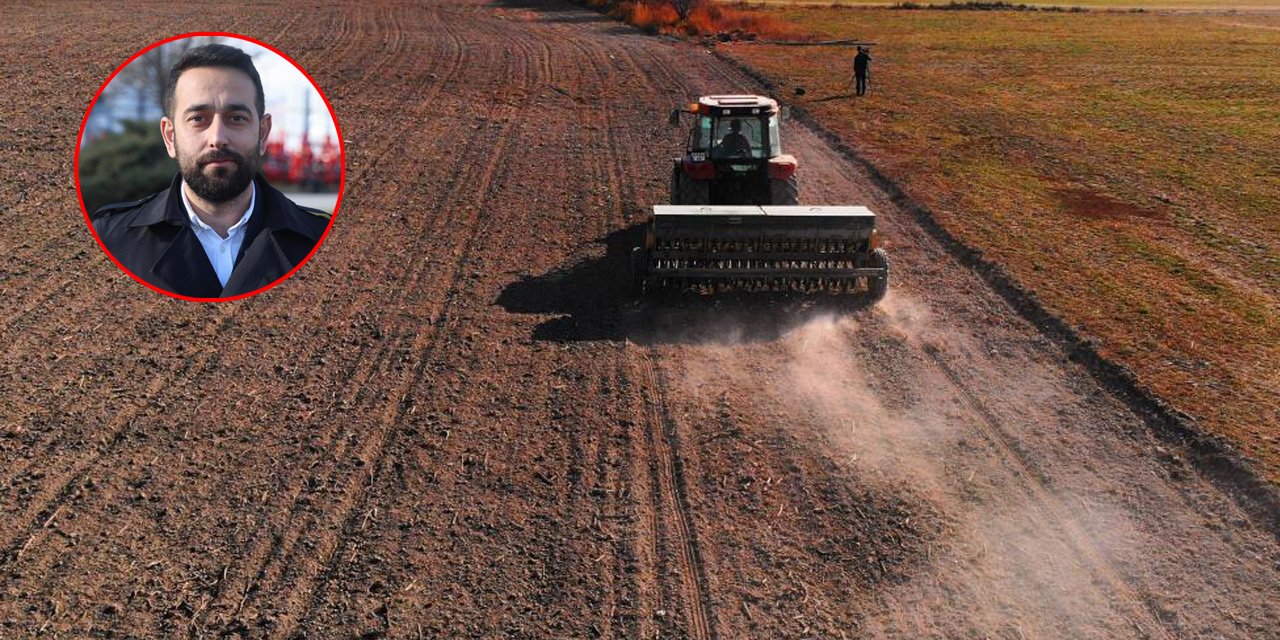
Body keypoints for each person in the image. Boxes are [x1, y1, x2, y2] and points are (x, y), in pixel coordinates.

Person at [92, 43, 331, 299]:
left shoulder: (319, 240)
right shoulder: (111, 240)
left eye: (236, 118)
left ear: (263, 134)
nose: (217, 138)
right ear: (170, 137)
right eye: (198, 119)